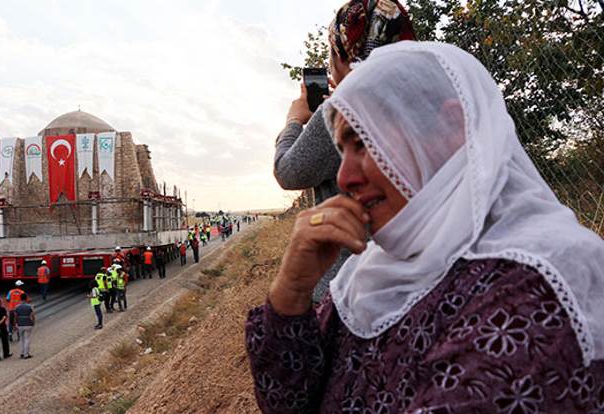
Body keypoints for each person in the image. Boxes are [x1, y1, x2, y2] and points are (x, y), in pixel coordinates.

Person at [245, 42, 604, 413]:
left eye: (364, 143)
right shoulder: (370, 272)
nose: (345, 177)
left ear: (452, 127)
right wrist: (290, 289)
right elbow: (285, 402)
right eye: (342, 150)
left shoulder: (530, 297)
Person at [275, 0, 415, 304]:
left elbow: (289, 171)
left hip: (347, 285)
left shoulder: (341, 111)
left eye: (331, 50)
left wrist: (294, 121)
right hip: (410, 279)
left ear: (343, 54)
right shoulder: (417, 101)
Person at [14, 293, 35, 359]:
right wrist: (33, 322)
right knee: (27, 339)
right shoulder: (30, 306)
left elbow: (15, 316)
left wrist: (15, 324)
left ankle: (22, 353)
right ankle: (26, 354)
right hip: (28, 323)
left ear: (20, 298)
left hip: (20, 324)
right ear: (26, 298)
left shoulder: (17, 307)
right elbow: (32, 315)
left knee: (22, 339)